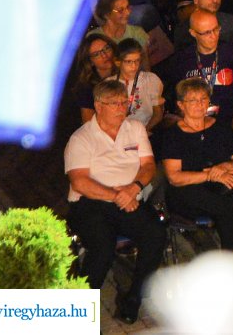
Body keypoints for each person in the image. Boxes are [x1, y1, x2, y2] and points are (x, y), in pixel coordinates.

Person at [64, 79, 165, 322]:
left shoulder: (135, 128)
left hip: (129, 197)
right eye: (115, 104)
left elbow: (148, 165)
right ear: (98, 105)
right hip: (90, 203)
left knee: (155, 234)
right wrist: (117, 195)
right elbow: (80, 182)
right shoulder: (81, 138)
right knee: (102, 247)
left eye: (124, 102)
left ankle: (134, 298)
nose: (122, 108)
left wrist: (134, 187)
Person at [158, 76, 233, 255]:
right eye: (193, 100)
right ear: (181, 105)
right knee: (195, 192)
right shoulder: (173, 135)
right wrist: (210, 174)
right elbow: (174, 177)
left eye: (203, 99)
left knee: (228, 199)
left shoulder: (220, 128)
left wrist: (225, 166)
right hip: (190, 196)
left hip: (221, 189)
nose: (199, 104)